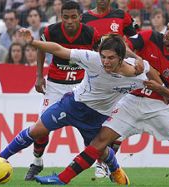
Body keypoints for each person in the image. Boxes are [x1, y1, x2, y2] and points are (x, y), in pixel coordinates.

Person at [33, 17, 169, 187]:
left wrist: (158, 87)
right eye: (167, 28)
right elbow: (124, 46)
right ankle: (62, 178)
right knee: (100, 141)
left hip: (158, 107)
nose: (167, 34)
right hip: (131, 101)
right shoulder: (150, 36)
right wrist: (137, 58)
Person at [0, 30, 156, 186]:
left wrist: (148, 71)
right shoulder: (92, 59)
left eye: (110, 58)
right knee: (37, 130)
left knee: (100, 152)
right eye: (103, 57)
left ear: (121, 58)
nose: (105, 62)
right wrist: (33, 42)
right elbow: (58, 50)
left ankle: (115, 169)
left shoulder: (138, 72)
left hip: (97, 116)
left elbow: (156, 78)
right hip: (73, 104)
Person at [23, 1, 101, 181]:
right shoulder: (52, 31)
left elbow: (101, 56)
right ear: (61, 17)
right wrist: (39, 75)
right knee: (40, 129)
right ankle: (37, 161)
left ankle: (105, 166)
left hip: (82, 87)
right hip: (56, 86)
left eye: (74, 17)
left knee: (93, 133)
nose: (70, 21)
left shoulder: (91, 34)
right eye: (65, 17)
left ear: (80, 17)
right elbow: (41, 49)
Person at [81, 0, 138, 177]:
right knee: (96, 123)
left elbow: (135, 38)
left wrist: (132, 57)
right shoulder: (85, 18)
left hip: (121, 75)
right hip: (98, 76)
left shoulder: (121, 15)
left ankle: (102, 164)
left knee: (117, 123)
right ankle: (103, 160)